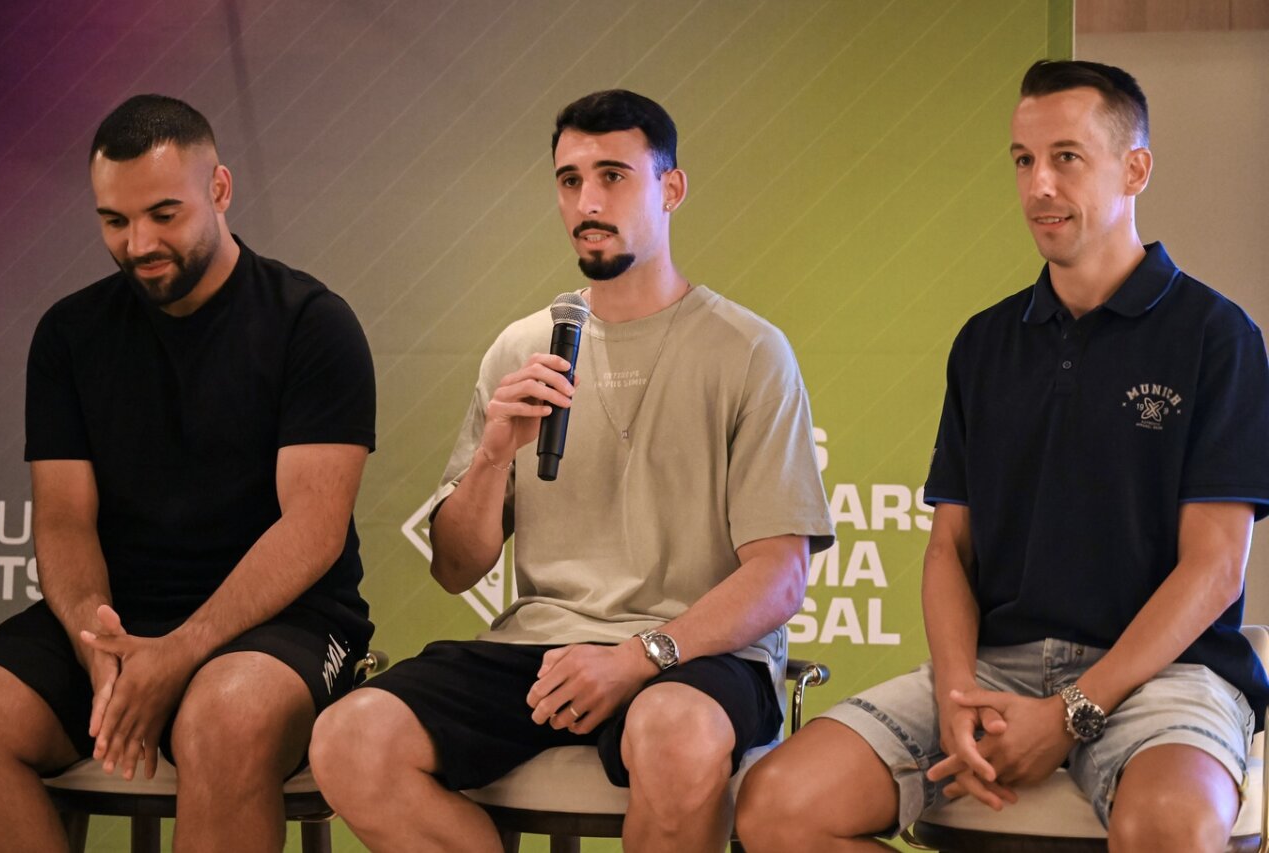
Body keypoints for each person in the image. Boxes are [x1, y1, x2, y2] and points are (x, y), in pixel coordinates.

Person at [736, 59, 1269, 853]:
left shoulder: (1217, 335)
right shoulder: (985, 343)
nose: (1039, 186)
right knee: (775, 807)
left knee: (1170, 830)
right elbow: (950, 547)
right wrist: (957, 694)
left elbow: (1215, 569)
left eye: (1066, 157)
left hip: (1167, 674)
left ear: (1135, 168)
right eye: (1023, 160)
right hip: (998, 666)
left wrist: (1072, 713)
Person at [309, 89, 834, 852]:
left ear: (671, 188)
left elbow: (781, 578)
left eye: (614, 175)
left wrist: (635, 658)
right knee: (349, 737)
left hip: (694, 653)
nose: (588, 201)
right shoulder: (523, 346)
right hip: (541, 647)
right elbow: (458, 567)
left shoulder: (749, 350)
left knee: (672, 731)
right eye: (569, 180)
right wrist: (494, 454)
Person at [0, 94, 376, 852]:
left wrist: (180, 651)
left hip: (289, 621)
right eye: (114, 221)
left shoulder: (312, 323)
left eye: (164, 214)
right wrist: (94, 641)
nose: (139, 243)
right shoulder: (69, 334)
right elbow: (64, 519)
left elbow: (314, 528)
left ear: (220, 190)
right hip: (125, 617)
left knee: (222, 719)